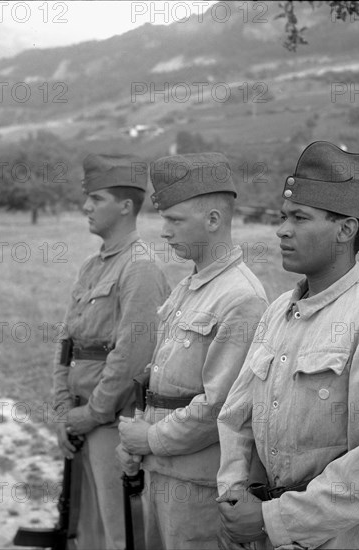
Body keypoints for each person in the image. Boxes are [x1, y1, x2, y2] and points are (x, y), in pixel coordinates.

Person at [216, 141, 359, 550]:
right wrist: (235, 493)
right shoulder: (279, 310)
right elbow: (235, 416)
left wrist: (272, 519)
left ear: (345, 229)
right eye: (282, 216)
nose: (282, 229)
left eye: (299, 218)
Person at [117, 152, 269, 550]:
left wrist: (148, 439)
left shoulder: (241, 298)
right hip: (162, 468)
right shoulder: (192, 284)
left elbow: (218, 407)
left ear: (214, 220)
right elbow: (156, 376)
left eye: (175, 220)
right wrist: (136, 438)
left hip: (197, 485)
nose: (164, 231)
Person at [52, 153, 170, 550]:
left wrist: (92, 413)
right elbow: (67, 345)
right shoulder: (91, 266)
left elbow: (131, 357)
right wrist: (63, 413)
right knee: (84, 531)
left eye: (97, 198)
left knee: (117, 533)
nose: (86, 206)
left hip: (110, 424)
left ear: (125, 206)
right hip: (80, 419)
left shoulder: (140, 269)